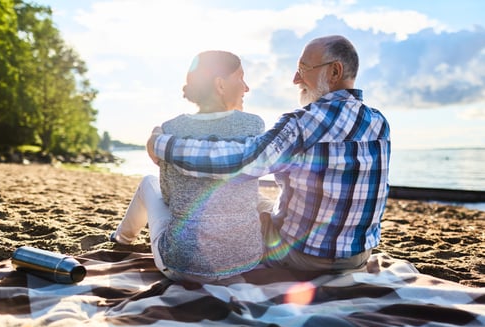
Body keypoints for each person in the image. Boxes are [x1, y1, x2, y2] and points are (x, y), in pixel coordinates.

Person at [150, 35, 391, 274]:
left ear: (334, 72)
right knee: (258, 202)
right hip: (358, 256)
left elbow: (239, 162)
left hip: (303, 256)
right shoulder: (379, 122)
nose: (296, 79)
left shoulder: (303, 123)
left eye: (303, 68)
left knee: (237, 199)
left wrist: (164, 144)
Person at [111, 50, 270, 284]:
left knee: (148, 183)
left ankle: (121, 239)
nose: (246, 87)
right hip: (243, 261)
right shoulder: (254, 125)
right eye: (241, 78)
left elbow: (168, 196)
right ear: (220, 85)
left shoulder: (170, 129)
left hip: (183, 266)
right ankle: (121, 238)